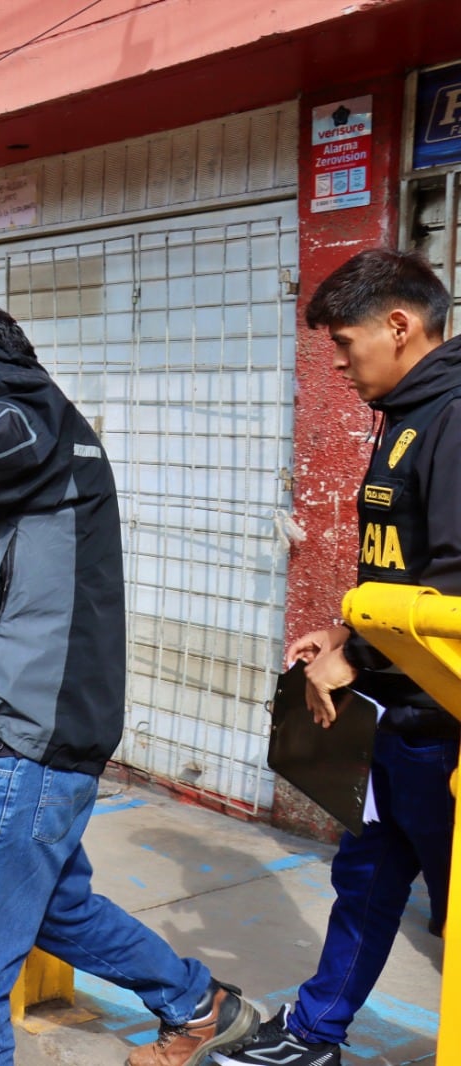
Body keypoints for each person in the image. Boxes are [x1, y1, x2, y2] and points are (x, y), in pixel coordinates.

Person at [0, 298, 258, 1066]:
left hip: (17, 750)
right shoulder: (26, 426)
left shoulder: (22, 416)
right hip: (19, 740)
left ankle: (196, 1004)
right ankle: (198, 1004)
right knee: (57, 911)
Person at [213, 249, 461, 1066]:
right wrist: (345, 633)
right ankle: (316, 1032)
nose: (341, 366)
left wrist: (358, 656)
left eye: (347, 345)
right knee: (367, 877)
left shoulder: (455, 417)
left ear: (401, 325)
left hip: (442, 723)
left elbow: (455, 593)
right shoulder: (406, 414)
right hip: (397, 714)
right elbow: (405, 572)